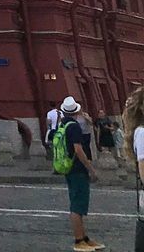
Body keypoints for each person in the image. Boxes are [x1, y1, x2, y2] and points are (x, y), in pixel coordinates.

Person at [56, 95, 102, 252]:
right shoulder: (74, 127)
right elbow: (78, 149)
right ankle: (78, 240)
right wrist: (91, 169)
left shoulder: (62, 124)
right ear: (76, 111)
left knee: (78, 203)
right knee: (78, 206)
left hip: (68, 168)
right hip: (77, 169)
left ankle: (84, 238)